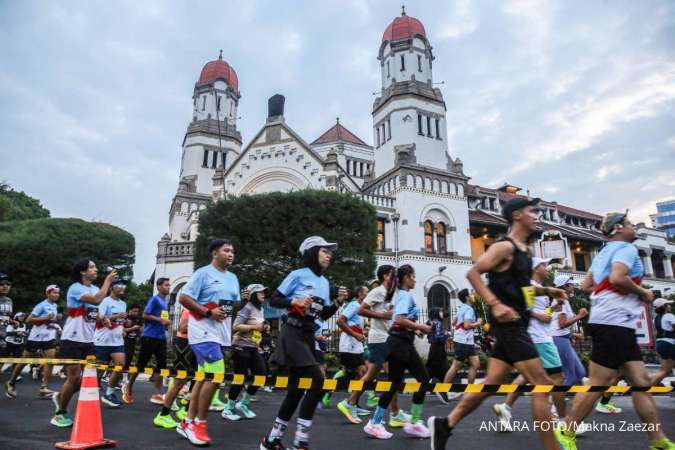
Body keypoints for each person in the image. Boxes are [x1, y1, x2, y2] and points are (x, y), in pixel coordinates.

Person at [429, 197, 568, 450]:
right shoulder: (504, 247)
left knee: (490, 385)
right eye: (531, 211)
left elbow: (523, 289)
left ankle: (445, 425)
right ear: (517, 215)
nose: (536, 215)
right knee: (543, 384)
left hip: (518, 324)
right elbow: (473, 273)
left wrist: (547, 290)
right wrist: (495, 303)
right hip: (509, 326)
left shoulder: (525, 251)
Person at [554, 211, 674, 450]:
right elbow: (619, 278)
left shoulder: (601, 254)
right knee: (600, 382)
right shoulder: (627, 249)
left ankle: (657, 439)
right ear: (619, 227)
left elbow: (586, 285)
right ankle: (567, 428)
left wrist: (607, 291)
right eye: (630, 224)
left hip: (616, 322)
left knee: (639, 382)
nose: (634, 228)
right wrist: (644, 294)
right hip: (614, 322)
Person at [260, 236, 348, 450]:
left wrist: (337, 302)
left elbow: (324, 315)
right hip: (292, 331)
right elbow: (274, 299)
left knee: (296, 390)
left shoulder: (324, 282)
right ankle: (301, 440)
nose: (329, 255)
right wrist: (294, 301)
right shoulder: (298, 275)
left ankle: (272, 439)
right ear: (311, 252)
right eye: (324, 250)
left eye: (330, 252)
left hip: (308, 334)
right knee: (318, 379)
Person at [176, 239, 241, 446]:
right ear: (215, 252)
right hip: (202, 331)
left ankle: (186, 422)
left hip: (219, 333)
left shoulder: (233, 278)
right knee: (216, 374)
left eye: (232, 251)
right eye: (226, 250)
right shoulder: (203, 273)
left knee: (204, 378)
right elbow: (184, 298)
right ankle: (199, 424)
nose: (231, 254)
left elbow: (233, 306)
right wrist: (207, 311)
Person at [492, 257, 566, 430]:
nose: (547, 268)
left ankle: (506, 408)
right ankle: (562, 421)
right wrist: (539, 315)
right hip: (539, 338)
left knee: (527, 376)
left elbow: (538, 312)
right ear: (536, 268)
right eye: (544, 265)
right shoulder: (530, 285)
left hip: (536, 336)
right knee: (557, 377)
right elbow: (524, 308)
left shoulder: (539, 288)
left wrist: (552, 309)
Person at [364, 264, 432, 440]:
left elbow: (397, 320)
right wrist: (420, 327)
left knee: (394, 383)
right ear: (407, 278)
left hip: (399, 341)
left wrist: (415, 330)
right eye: (413, 276)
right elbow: (400, 319)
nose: (415, 280)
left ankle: (375, 422)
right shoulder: (404, 296)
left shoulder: (401, 295)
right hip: (400, 343)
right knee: (423, 379)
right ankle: (414, 422)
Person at [51, 259, 117, 428]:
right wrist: (107, 282)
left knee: (87, 378)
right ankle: (60, 413)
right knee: (73, 377)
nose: (96, 270)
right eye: (92, 267)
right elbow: (95, 300)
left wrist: (104, 319)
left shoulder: (95, 289)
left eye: (96, 267)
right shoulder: (75, 288)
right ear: (82, 271)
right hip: (72, 339)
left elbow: (94, 310)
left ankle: (61, 397)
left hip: (89, 341)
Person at [356, 265, 411, 432]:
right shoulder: (378, 291)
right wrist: (382, 315)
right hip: (379, 339)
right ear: (386, 276)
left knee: (371, 375)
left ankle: (350, 402)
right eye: (394, 275)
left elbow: (392, 317)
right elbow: (361, 310)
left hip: (386, 338)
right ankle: (394, 414)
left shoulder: (390, 294)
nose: (397, 278)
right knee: (394, 377)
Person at [5, 284, 61, 399]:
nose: (56, 295)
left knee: (50, 360)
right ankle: (11, 382)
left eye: (58, 293)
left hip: (48, 337)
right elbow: (29, 320)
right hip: (35, 337)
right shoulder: (41, 305)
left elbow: (50, 319)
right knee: (24, 361)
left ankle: (44, 388)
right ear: (48, 293)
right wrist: (45, 319)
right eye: (54, 292)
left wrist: (54, 321)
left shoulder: (55, 305)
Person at [222, 283, 267, 421]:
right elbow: (236, 326)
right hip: (240, 346)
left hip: (253, 347)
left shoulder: (261, 309)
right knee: (240, 378)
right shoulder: (246, 308)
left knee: (261, 375)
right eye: (261, 292)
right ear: (253, 294)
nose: (264, 294)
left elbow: (257, 329)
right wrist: (255, 326)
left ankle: (243, 403)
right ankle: (228, 409)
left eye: (264, 292)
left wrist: (263, 329)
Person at [123, 278, 171, 405]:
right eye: (166, 285)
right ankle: (128, 387)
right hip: (149, 336)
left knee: (162, 366)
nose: (169, 287)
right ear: (159, 286)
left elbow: (161, 318)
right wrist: (160, 320)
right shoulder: (154, 299)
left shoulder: (164, 302)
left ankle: (158, 393)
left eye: (169, 285)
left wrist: (166, 323)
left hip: (161, 337)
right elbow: (145, 315)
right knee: (141, 365)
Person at [154, 306, 195, 429]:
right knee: (179, 381)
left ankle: (186, 409)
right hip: (184, 343)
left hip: (196, 343)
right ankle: (163, 415)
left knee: (198, 378)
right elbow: (182, 328)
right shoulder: (190, 308)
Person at [336, 286, 371, 424]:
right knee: (363, 373)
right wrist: (355, 334)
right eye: (366, 293)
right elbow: (340, 321)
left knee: (356, 375)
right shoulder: (354, 305)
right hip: (349, 346)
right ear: (360, 294)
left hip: (356, 347)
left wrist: (361, 333)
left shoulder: (361, 309)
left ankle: (353, 403)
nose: (368, 296)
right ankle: (348, 403)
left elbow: (354, 325)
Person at [441, 289, 483, 401]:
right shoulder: (468, 309)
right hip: (463, 341)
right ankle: (443, 390)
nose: (473, 296)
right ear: (467, 297)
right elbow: (467, 325)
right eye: (470, 294)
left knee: (475, 364)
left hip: (466, 341)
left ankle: (469, 391)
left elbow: (454, 322)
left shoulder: (462, 309)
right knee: (456, 366)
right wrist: (478, 323)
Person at [95, 278, 128, 407]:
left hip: (117, 340)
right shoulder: (105, 302)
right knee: (98, 370)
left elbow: (119, 321)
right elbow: (99, 319)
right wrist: (116, 316)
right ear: (112, 288)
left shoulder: (123, 303)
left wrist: (124, 326)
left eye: (124, 286)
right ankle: (89, 390)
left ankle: (109, 393)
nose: (122, 288)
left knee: (120, 365)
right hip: (102, 340)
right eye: (119, 285)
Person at [426, 309, 449, 403]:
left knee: (436, 370)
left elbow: (429, 337)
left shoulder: (431, 322)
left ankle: (442, 391)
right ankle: (441, 390)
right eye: (440, 311)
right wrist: (447, 334)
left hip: (434, 348)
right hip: (438, 349)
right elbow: (438, 336)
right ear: (436, 314)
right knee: (444, 370)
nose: (442, 313)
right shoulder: (438, 322)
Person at [651, 298, 674, 386]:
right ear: (664, 307)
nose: (669, 306)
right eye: (668, 304)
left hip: (660, 344)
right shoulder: (669, 316)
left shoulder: (655, 318)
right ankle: (647, 387)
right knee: (665, 370)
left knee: (664, 370)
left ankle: (649, 386)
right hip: (669, 344)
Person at [122, 303, 142, 370]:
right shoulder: (125, 318)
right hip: (124, 340)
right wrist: (132, 328)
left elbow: (140, 328)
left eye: (137, 311)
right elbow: (121, 329)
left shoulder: (138, 319)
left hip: (133, 341)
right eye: (134, 311)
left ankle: (124, 374)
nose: (136, 313)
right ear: (130, 310)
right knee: (126, 357)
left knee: (130, 358)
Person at [0, 273, 14, 360]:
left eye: (8, 284)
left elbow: (6, 317)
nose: (5, 286)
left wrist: (13, 322)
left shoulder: (9, 301)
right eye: (1, 284)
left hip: (4, 337)